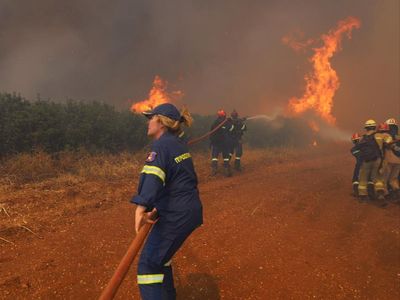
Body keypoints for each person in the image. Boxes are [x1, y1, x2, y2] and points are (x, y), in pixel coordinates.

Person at [131, 103, 203, 300]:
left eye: (151, 118)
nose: (148, 122)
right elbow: (175, 178)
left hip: (177, 213)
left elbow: (153, 175)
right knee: (161, 259)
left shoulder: (162, 145)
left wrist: (141, 207)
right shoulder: (177, 143)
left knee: (149, 265)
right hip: (186, 210)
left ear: (161, 122)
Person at [209, 109, 233, 177]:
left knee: (215, 156)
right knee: (225, 156)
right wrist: (230, 123)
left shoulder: (215, 122)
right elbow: (231, 129)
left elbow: (211, 132)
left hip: (217, 143)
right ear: (224, 115)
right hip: (223, 142)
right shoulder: (225, 122)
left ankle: (214, 169)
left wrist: (211, 142)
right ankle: (225, 169)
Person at [383, 118, 400, 200]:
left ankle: (385, 195)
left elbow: (386, 145)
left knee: (384, 179)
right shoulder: (398, 136)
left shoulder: (386, 136)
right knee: (393, 180)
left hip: (389, 160)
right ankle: (397, 193)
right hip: (398, 161)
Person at [350, 133, 362, 197]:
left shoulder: (353, 149)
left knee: (355, 178)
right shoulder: (366, 146)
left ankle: (357, 192)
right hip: (368, 163)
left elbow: (358, 156)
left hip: (359, 164)